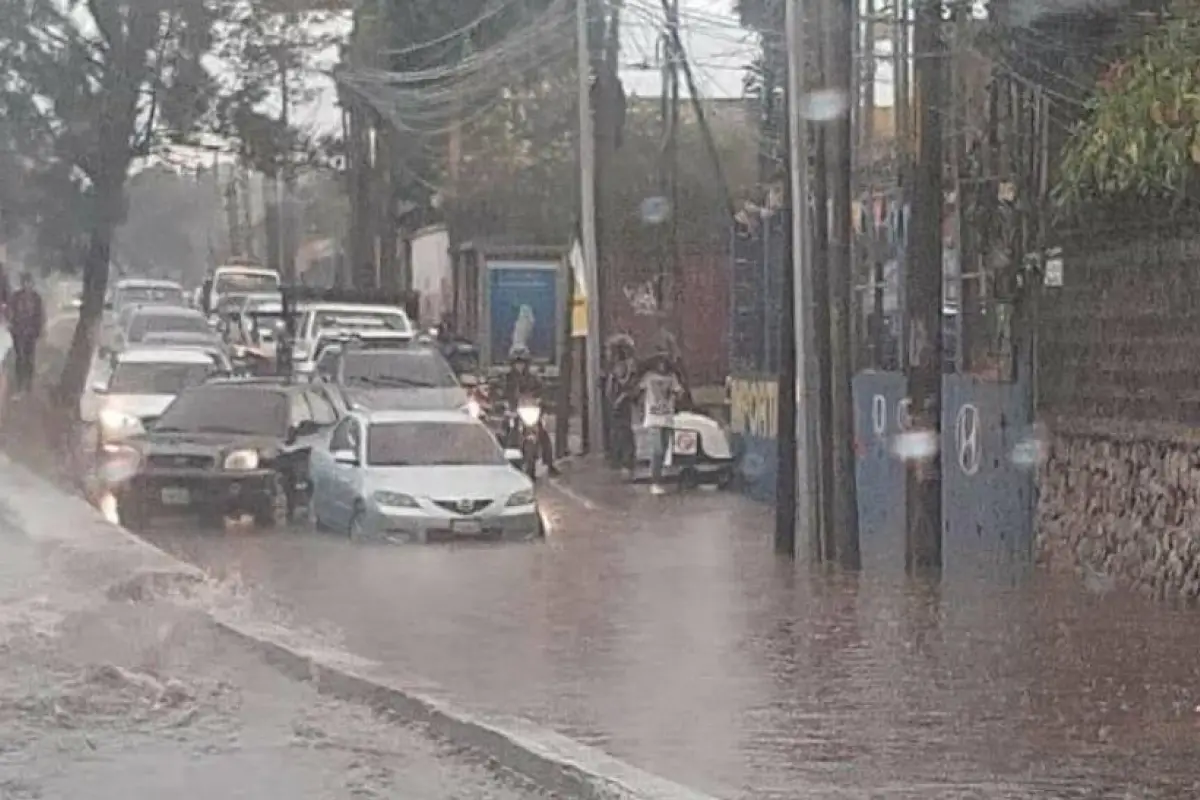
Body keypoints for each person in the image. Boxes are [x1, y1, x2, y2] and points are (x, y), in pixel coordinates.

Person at [502, 346, 559, 476]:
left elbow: (542, 392)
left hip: (529, 411)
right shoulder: (507, 379)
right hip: (513, 412)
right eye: (517, 363)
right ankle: (502, 457)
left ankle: (549, 463)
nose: (519, 366)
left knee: (542, 432)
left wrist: (543, 402)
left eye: (522, 363)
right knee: (505, 430)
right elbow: (500, 393)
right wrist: (503, 403)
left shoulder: (534, 378)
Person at [638, 347, 683, 495]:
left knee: (663, 450)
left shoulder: (672, 377)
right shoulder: (648, 377)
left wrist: (678, 394)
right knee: (656, 450)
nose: (662, 365)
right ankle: (655, 481)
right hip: (653, 418)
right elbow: (638, 391)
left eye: (664, 362)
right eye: (659, 362)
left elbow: (679, 392)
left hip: (667, 418)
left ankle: (659, 476)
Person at [605, 335, 638, 478]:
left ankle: (626, 460)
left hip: (620, 404)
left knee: (623, 431)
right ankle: (618, 458)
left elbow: (626, 385)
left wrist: (619, 399)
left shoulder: (624, 366)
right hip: (615, 402)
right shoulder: (617, 366)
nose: (608, 354)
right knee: (617, 430)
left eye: (610, 350)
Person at [10, 272, 44, 396]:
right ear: (21, 283)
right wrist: (11, 325)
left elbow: (39, 315)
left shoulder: (36, 298)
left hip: (31, 332)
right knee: (19, 358)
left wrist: (39, 330)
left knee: (29, 358)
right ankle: (19, 384)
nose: (26, 285)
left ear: (31, 283)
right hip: (18, 332)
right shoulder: (15, 297)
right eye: (24, 282)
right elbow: (11, 312)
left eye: (28, 282)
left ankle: (28, 384)